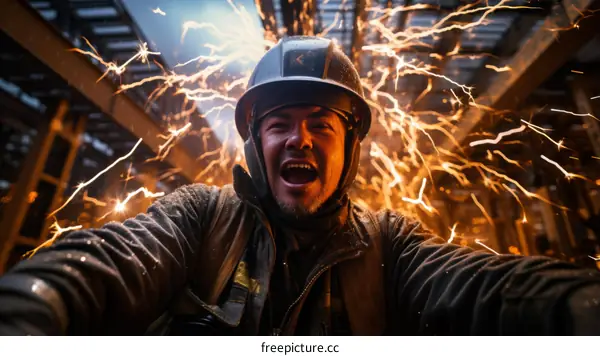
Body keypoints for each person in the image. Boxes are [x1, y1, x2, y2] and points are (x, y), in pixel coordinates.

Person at [0, 35, 599, 336]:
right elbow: (111, 262)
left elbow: (479, 287)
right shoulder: (201, 219)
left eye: (321, 126)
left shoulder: (389, 247)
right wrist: (31, 306)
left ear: (351, 147)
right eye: (280, 125)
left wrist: (576, 306)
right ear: (257, 146)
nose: (300, 140)